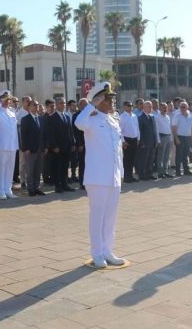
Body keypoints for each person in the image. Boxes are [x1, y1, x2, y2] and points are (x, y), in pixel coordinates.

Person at [74, 82, 126, 268]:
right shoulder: (91, 119)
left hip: (113, 176)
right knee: (98, 215)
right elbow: (78, 123)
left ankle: (108, 250)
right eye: (109, 98)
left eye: (112, 98)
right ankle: (97, 253)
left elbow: (117, 150)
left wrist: (120, 173)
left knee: (111, 216)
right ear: (100, 100)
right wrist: (91, 105)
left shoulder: (113, 120)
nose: (113, 101)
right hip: (97, 177)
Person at [46, 97, 76, 193]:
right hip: (57, 148)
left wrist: (73, 143)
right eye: (61, 103)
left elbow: (70, 132)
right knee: (57, 167)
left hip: (66, 147)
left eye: (64, 103)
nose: (63, 105)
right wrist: (54, 146)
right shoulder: (52, 117)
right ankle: (57, 186)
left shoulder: (67, 116)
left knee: (65, 167)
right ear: (57, 104)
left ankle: (64, 184)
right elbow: (50, 134)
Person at [20, 100, 46, 196]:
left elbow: (43, 134)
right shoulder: (25, 119)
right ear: (29, 107)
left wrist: (44, 147)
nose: (36, 107)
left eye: (37, 105)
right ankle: (30, 188)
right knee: (30, 170)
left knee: (38, 169)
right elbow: (23, 135)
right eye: (34, 105)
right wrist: (25, 148)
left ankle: (36, 187)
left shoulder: (41, 119)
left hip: (40, 148)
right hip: (30, 149)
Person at [137, 101, 160, 180]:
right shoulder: (140, 118)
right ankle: (142, 175)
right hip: (145, 143)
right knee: (144, 159)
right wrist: (142, 142)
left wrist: (156, 141)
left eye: (151, 106)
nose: (151, 108)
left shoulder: (152, 117)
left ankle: (149, 174)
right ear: (144, 107)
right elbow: (140, 131)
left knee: (151, 159)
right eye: (149, 106)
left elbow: (154, 130)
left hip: (152, 142)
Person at [172, 102, 192, 176]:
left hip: (188, 137)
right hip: (180, 137)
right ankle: (178, 171)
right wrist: (176, 138)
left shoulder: (189, 116)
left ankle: (186, 170)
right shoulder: (177, 116)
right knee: (179, 155)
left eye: (184, 107)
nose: (182, 108)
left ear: (187, 108)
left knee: (185, 155)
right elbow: (174, 128)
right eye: (181, 107)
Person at [119, 101, 140, 183]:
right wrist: (123, 141)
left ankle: (131, 176)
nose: (130, 107)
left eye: (131, 106)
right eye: (128, 106)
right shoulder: (122, 117)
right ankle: (126, 177)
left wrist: (138, 138)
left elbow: (137, 128)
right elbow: (119, 130)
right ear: (124, 106)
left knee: (132, 159)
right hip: (127, 140)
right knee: (127, 160)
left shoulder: (134, 116)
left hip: (134, 139)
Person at [72, 98, 88, 190]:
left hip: (90, 143)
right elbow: (76, 132)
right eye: (84, 104)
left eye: (87, 104)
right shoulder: (76, 115)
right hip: (82, 144)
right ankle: (82, 182)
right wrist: (79, 144)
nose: (86, 106)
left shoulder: (90, 114)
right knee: (82, 164)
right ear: (80, 105)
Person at [154, 102, 173, 178]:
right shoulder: (157, 117)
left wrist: (171, 138)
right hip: (162, 137)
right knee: (160, 156)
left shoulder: (168, 117)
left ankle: (165, 171)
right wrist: (158, 141)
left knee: (167, 156)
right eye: (163, 107)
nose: (165, 109)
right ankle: (160, 172)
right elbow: (157, 130)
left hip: (168, 137)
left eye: (166, 107)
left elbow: (169, 128)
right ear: (160, 109)